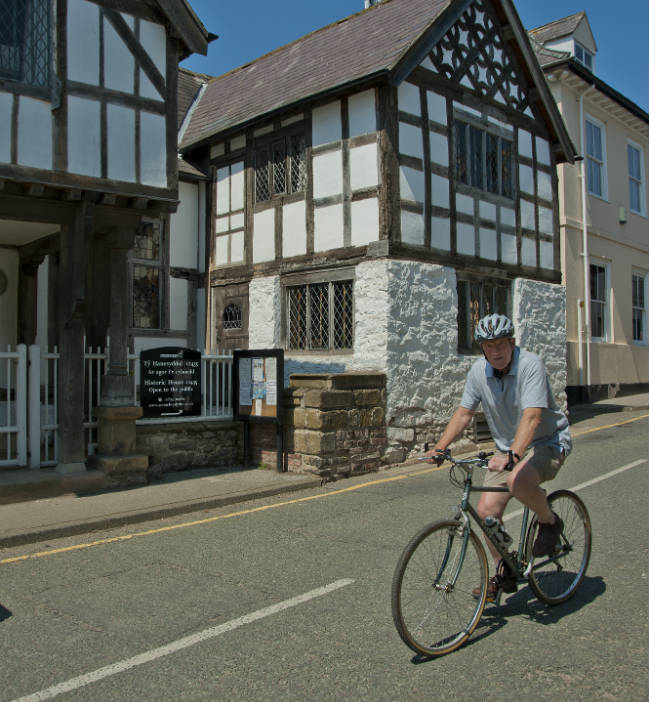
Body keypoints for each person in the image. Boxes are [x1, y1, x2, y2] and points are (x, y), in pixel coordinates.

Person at [425, 313, 572, 601]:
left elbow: (532, 417)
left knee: (518, 481)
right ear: (482, 348)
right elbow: (464, 414)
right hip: (508, 449)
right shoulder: (479, 372)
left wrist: (513, 455)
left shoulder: (530, 365)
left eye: (501, 344)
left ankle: (550, 522)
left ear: (512, 343)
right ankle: (504, 568)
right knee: (486, 513)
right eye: (489, 346)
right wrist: (440, 447)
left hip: (547, 443)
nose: (496, 351)